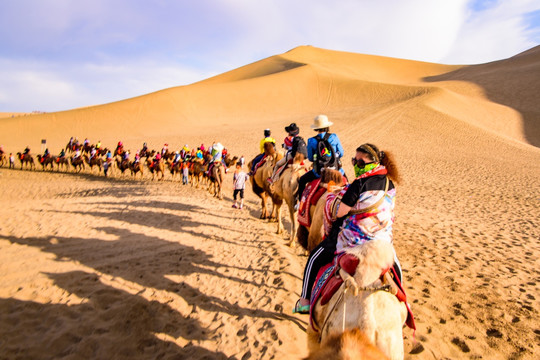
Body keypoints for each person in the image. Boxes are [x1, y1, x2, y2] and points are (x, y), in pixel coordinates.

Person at [293, 143, 401, 314]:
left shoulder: (359, 184)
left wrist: (336, 200)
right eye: (354, 162)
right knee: (396, 265)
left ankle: (304, 300)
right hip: (382, 239)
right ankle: (403, 301)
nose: (356, 166)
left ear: (373, 163)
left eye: (360, 163)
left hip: (354, 241)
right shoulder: (390, 184)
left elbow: (340, 212)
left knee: (313, 258)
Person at [296, 115, 344, 205]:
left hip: (319, 173)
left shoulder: (311, 141)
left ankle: (300, 204)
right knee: (347, 182)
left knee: (302, 180)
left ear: (316, 128)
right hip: (336, 171)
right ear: (327, 126)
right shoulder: (334, 137)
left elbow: (310, 158)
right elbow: (341, 153)